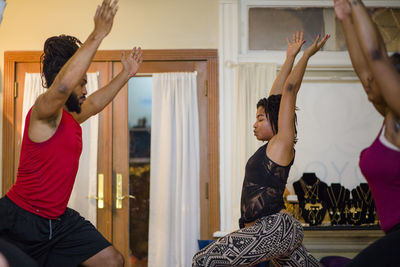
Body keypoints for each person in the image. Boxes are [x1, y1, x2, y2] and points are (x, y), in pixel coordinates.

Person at [0, 0, 143, 266]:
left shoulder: (71, 117)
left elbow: (97, 102)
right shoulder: (43, 111)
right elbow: (63, 87)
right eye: (83, 82)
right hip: (21, 219)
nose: (86, 89)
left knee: (112, 260)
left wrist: (126, 74)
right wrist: (98, 33)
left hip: (59, 221)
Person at [192, 32, 329, 267]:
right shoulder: (270, 147)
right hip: (273, 231)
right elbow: (276, 95)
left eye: (260, 118)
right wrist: (289, 58)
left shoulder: (282, 143)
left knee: (205, 260)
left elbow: (289, 90)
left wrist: (306, 55)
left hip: (276, 229)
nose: (254, 124)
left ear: (275, 120)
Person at [333, 0, 400, 266]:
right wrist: (345, 17)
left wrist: (356, 3)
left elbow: (376, 57)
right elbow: (365, 71)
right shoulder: (390, 118)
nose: (371, 80)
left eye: (380, 76)